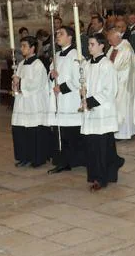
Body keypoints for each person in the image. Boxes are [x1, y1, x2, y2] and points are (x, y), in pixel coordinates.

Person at [81, 33, 125, 191]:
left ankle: (101, 178)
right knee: (93, 145)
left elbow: (110, 89)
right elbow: (84, 83)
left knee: (102, 146)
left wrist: (91, 101)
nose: (89, 47)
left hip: (102, 111)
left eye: (92, 44)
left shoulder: (107, 65)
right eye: (88, 44)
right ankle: (103, 172)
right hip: (91, 111)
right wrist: (83, 92)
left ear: (101, 46)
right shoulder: (87, 65)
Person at [47, 27, 84, 174]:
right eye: (56, 34)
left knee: (71, 132)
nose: (57, 36)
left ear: (70, 37)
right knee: (60, 132)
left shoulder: (76, 55)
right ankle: (63, 160)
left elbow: (78, 79)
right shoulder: (56, 55)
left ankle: (74, 160)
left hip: (70, 99)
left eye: (61, 34)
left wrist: (61, 88)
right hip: (58, 100)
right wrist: (51, 75)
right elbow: (50, 74)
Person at [11, 36, 52, 168]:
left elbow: (36, 84)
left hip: (34, 103)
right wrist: (15, 84)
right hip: (22, 102)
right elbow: (17, 81)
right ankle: (24, 156)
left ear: (32, 48)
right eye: (21, 45)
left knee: (33, 131)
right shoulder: (22, 64)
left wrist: (20, 82)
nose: (21, 48)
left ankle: (36, 158)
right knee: (21, 130)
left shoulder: (38, 65)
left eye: (24, 46)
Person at [107, 27, 135, 140]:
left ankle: (123, 132)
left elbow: (118, 67)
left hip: (124, 85)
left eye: (110, 39)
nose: (109, 42)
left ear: (117, 37)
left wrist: (107, 73)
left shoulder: (125, 49)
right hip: (114, 83)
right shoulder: (113, 48)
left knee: (123, 108)